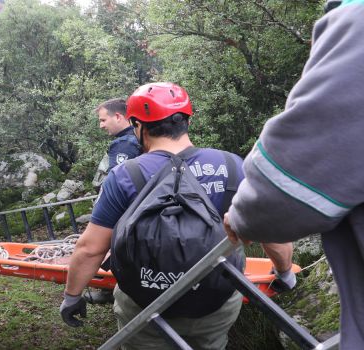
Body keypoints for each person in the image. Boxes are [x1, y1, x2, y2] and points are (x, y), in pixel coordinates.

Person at [60, 82, 294, 349]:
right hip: (215, 300)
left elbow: (90, 248)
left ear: (137, 125)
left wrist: (72, 295)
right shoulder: (230, 166)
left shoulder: (125, 175)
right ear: (187, 120)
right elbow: (269, 231)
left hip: (144, 303)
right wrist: (284, 272)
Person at [223, 1, 364, 348]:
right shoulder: (221, 159)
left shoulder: (357, 20)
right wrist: (285, 273)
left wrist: (240, 217)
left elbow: (283, 192)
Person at [87, 98, 141, 305]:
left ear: (118, 116)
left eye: (103, 120)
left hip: (127, 211)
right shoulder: (139, 137)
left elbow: (120, 182)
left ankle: (113, 290)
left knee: (118, 250)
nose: (101, 125)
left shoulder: (124, 144)